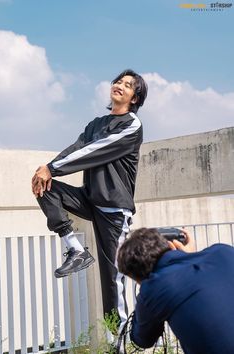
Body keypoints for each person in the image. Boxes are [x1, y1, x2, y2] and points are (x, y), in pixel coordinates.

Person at [31, 69, 148, 331]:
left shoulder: (131, 125)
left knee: (112, 279)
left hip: (114, 210)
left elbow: (94, 150)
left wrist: (53, 167)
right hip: (90, 198)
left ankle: (119, 339)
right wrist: (47, 169)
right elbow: (76, 148)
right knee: (44, 186)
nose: (120, 85)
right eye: (118, 81)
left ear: (135, 98)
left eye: (128, 85)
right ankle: (75, 250)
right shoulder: (95, 123)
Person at [117, 227, 234, 354]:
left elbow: (142, 340)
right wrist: (187, 256)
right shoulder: (223, 251)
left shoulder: (154, 288)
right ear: (172, 245)